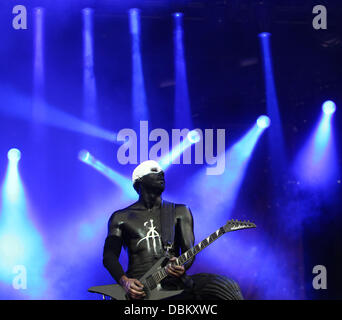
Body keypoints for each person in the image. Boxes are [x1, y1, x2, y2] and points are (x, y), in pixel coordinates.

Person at [103, 160, 243, 300]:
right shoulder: (121, 217)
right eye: (154, 170)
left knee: (227, 288)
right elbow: (109, 256)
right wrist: (125, 282)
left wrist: (182, 266)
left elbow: (189, 252)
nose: (161, 173)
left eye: (162, 171)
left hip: (172, 287)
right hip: (137, 291)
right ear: (139, 180)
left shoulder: (180, 211)